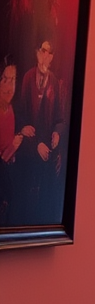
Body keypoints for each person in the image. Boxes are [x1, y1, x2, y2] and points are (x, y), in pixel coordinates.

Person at [16, 34, 68, 224]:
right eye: (43, 51)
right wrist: (36, 143)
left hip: (48, 152)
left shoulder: (54, 81)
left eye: (49, 53)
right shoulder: (28, 77)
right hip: (30, 151)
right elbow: (21, 116)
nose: (46, 56)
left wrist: (57, 133)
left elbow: (60, 119)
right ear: (37, 53)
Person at [0, 56, 31, 224]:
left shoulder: (17, 112)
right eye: (5, 80)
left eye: (13, 80)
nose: (9, 87)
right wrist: (10, 150)